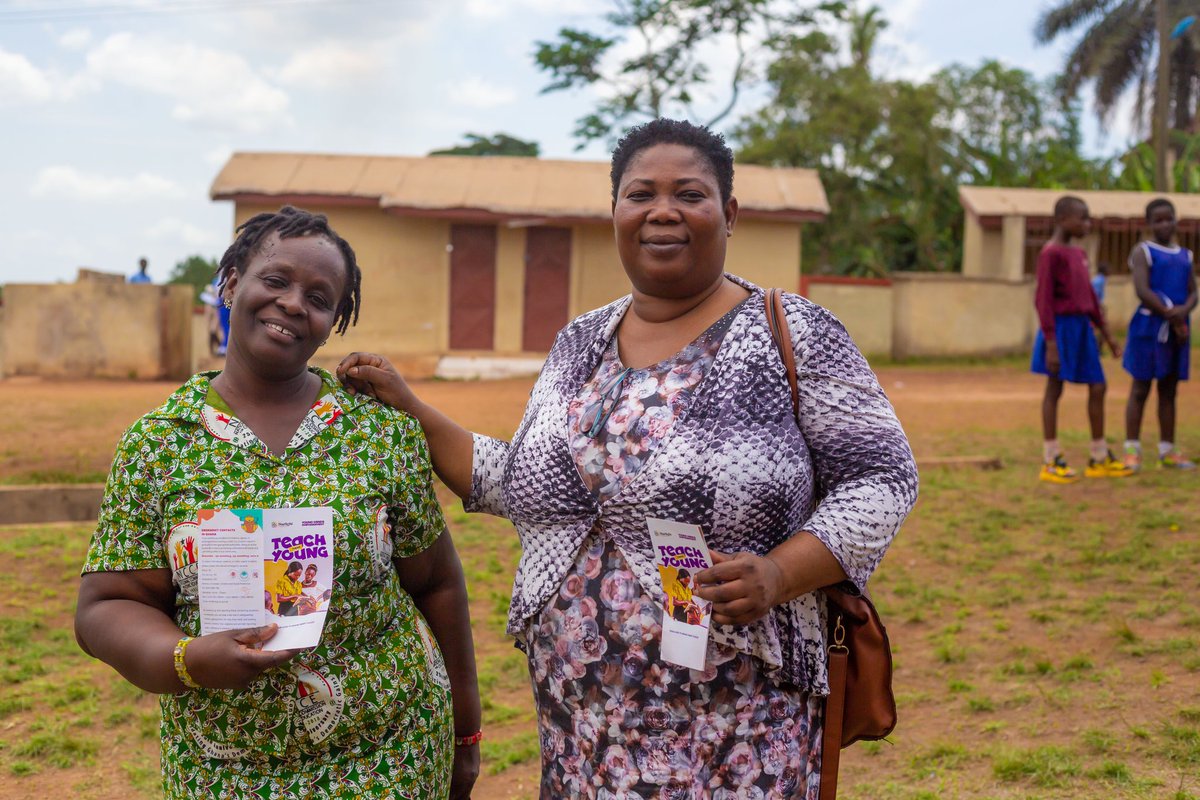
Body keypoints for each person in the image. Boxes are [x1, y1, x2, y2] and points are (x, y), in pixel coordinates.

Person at [339, 118, 918, 798]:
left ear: (728, 213)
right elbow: (522, 482)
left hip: (739, 725)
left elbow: (881, 478)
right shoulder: (578, 342)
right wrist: (413, 408)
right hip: (581, 730)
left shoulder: (790, 332)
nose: (662, 211)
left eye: (690, 194)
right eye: (640, 193)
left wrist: (780, 573)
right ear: (615, 211)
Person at [74, 206, 480, 799]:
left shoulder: (377, 431)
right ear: (232, 281)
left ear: (333, 321)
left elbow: (438, 583)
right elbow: (107, 604)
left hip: (390, 751)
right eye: (276, 280)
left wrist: (464, 732)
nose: (294, 303)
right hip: (224, 764)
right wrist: (185, 659)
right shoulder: (160, 443)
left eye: (320, 297)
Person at [1031, 196, 1133, 483]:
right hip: (1060, 329)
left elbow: (1089, 299)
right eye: (1083, 218)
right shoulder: (1050, 253)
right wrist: (1051, 342)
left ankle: (1098, 455)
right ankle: (1051, 459)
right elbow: (1043, 300)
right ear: (1063, 219)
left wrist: (1109, 336)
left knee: (1098, 386)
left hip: (1082, 330)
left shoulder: (1078, 253)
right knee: (1054, 388)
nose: (1087, 224)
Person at [1122, 198, 1197, 471]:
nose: (1165, 224)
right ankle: (1132, 449)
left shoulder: (1185, 255)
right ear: (1149, 224)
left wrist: (1183, 312)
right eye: (1158, 220)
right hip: (1149, 328)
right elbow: (1142, 290)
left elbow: (1193, 293)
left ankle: (1167, 450)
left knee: (1169, 390)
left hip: (1178, 331)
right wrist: (1171, 313)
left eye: (1169, 219)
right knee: (1140, 388)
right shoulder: (1144, 251)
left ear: (1176, 220)